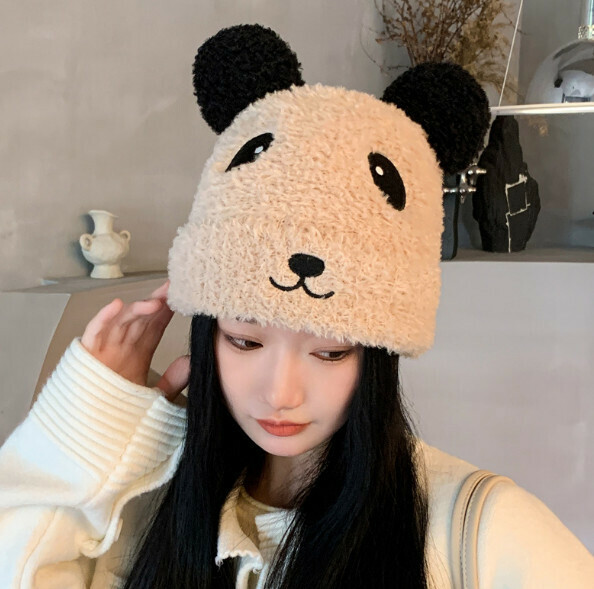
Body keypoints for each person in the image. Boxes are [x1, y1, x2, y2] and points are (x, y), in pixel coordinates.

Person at [1, 23, 593, 589]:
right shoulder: (136, 504)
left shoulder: (482, 530)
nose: (279, 393)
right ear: (207, 332)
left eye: (330, 352)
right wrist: (82, 433)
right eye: (245, 340)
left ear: (379, 352)